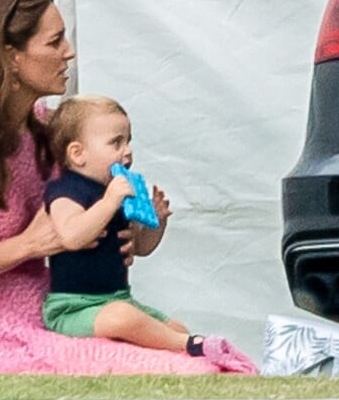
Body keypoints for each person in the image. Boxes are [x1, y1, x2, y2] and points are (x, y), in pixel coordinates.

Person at [0, 0, 257, 375]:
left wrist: (121, 237)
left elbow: (78, 219)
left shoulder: (48, 130)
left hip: (65, 310)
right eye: (54, 42)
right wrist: (26, 245)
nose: (68, 51)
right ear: (11, 56)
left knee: (190, 350)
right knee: (193, 370)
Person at [43, 95, 218, 361]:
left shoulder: (119, 192)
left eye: (128, 141)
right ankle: (189, 345)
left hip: (119, 298)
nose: (127, 151)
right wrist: (110, 201)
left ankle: (182, 341)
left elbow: (140, 249)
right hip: (73, 307)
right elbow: (71, 236)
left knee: (174, 326)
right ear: (78, 154)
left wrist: (155, 225)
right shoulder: (66, 190)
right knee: (122, 318)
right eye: (116, 143)